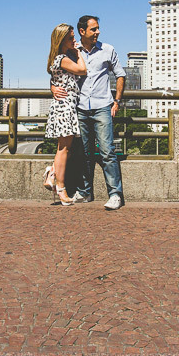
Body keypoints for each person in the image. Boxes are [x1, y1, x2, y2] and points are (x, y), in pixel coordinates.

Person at [52, 15, 126, 210]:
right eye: (93, 29)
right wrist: (52, 88)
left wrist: (116, 101)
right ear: (82, 32)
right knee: (83, 153)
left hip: (103, 106)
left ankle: (115, 194)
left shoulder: (108, 50)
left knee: (107, 151)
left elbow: (120, 75)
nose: (98, 32)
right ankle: (85, 192)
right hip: (80, 107)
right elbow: (58, 75)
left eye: (98, 28)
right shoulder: (70, 53)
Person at [44, 23, 87, 205]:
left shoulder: (58, 58)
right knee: (64, 149)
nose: (74, 40)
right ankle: (61, 188)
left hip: (65, 105)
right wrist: (78, 53)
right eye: (70, 37)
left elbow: (56, 79)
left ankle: (52, 173)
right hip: (65, 106)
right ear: (62, 40)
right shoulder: (63, 58)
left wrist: (53, 86)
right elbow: (82, 70)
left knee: (65, 148)